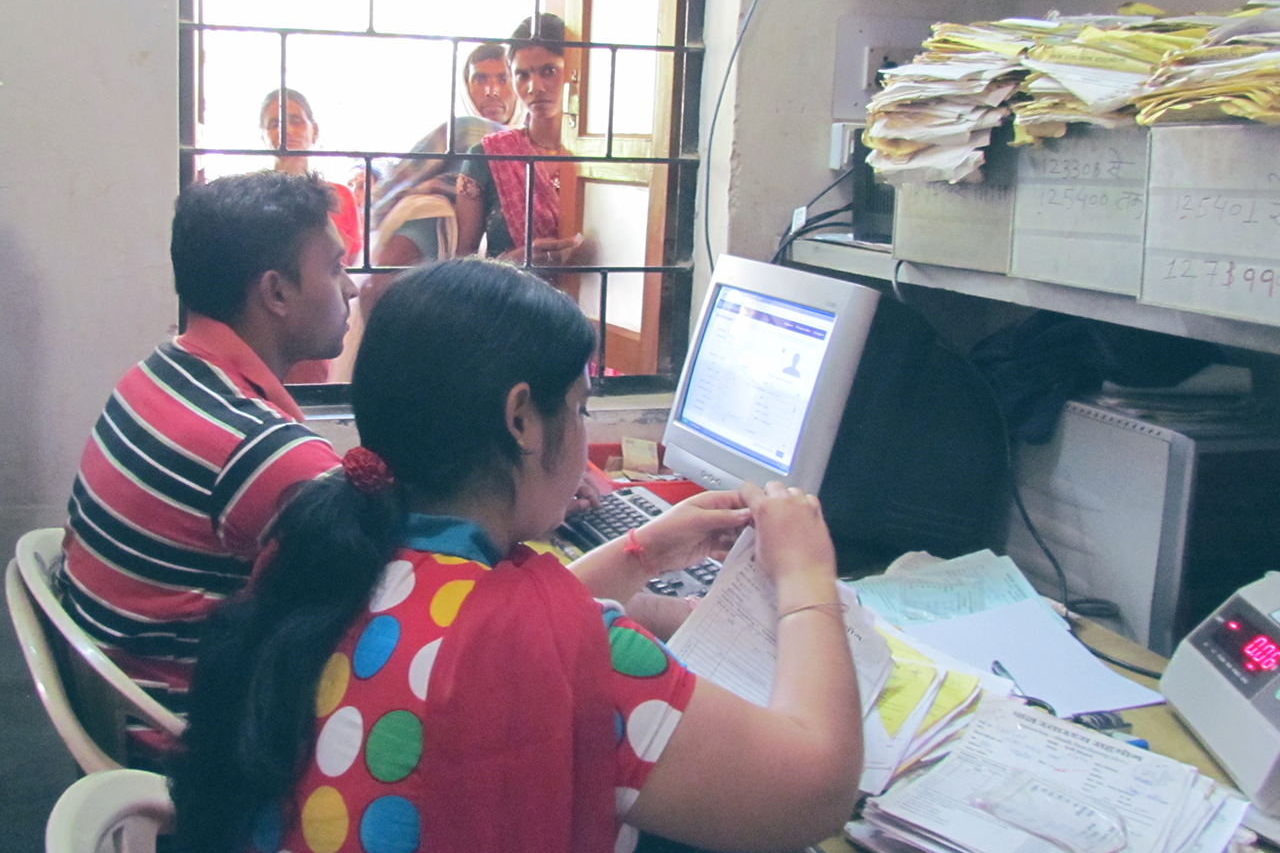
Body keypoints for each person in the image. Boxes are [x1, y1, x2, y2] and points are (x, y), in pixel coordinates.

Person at [169, 258, 863, 853]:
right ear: (522, 420)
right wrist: (806, 575)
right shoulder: (582, 650)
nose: (584, 427)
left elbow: (471, 629)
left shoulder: (324, 547)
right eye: (582, 407)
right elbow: (815, 787)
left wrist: (642, 550)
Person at [57, 171, 357, 757]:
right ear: (276, 293)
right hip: (189, 747)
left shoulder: (156, 373)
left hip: (115, 705)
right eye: (336, 268)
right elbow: (408, 590)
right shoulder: (260, 449)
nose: (349, 290)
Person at [369, 42, 522, 269]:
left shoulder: (534, 145)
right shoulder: (462, 128)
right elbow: (399, 182)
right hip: (439, 242)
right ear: (465, 87)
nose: (492, 91)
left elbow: (386, 194)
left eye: (503, 79)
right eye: (480, 80)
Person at [456, 15, 583, 267]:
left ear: (574, 72)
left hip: (598, 301)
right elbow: (461, 265)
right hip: (508, 301)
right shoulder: (487, 156)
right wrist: (514, 263)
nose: (534, 87)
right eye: (522, 75)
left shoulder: (600, 162)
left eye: (549, 71)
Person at [260, 88, 363, 267]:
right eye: (275, 124)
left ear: (314, 131)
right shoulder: (253, 196)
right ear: (263, 135)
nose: (286, 130)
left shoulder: (340, 196)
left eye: (296, 121)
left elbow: (352, 262)